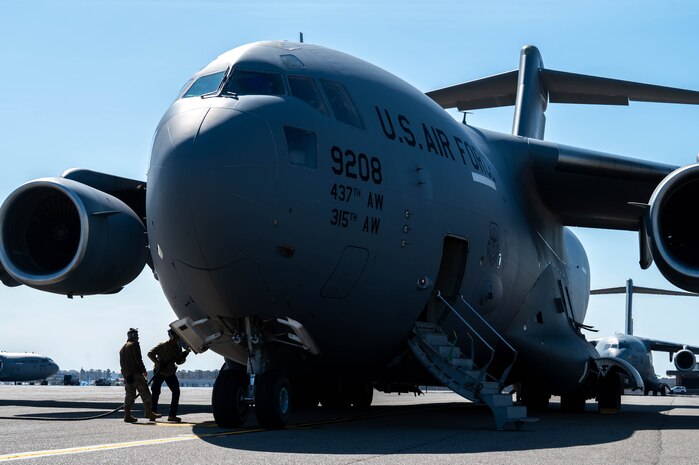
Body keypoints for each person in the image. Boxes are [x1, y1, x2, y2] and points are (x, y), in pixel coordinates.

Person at [148, 329, 191, 422]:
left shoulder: (177, 348)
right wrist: (158, 363)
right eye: (177, 335)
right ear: (172, 336)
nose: (178, 337)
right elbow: (150, 354)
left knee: (176, 392)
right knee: (155, 392)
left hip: (170, 373)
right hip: (159, 372)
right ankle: (152, 414)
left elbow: (178, 362)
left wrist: (186, 353)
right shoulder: (162, 346)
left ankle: (172, 415)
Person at [119, 328, 160, 423]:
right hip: (136, 374)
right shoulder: (134, 345)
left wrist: (125, 374)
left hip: (127, 375)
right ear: (133, 336)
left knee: (129, 395)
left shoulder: (122, 349)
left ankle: (127, 416)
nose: (138, 337)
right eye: (136, 335)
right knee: (145, 393)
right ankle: (149, 412)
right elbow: (138, 359)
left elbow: (121, 363)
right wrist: (143, 370)